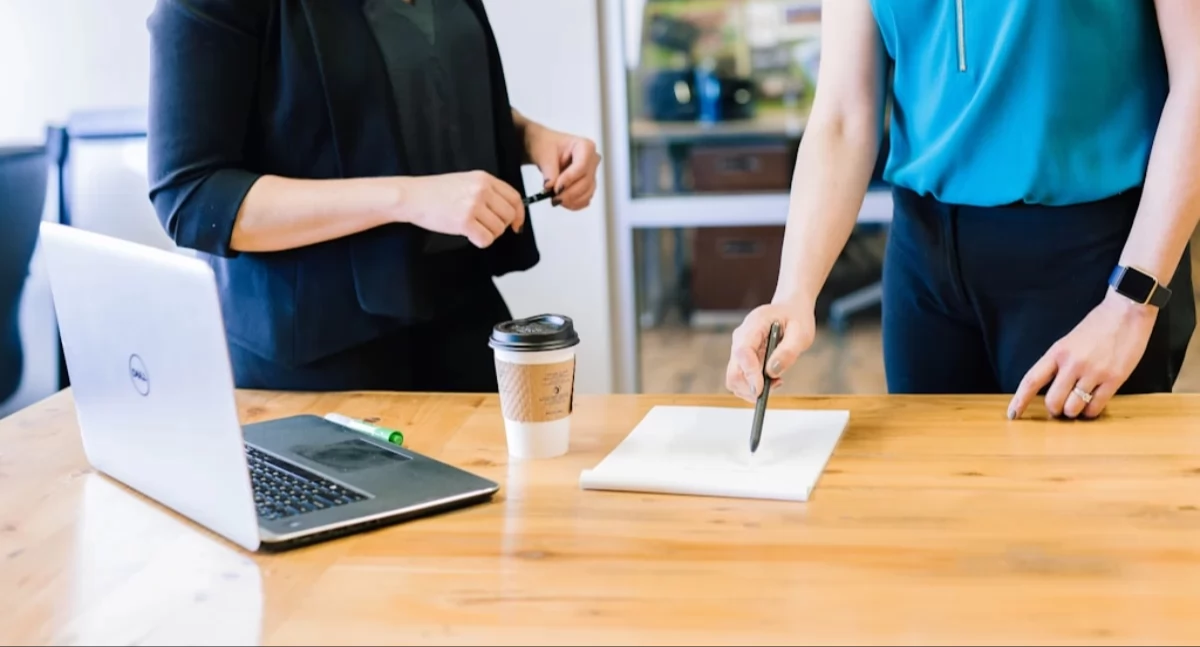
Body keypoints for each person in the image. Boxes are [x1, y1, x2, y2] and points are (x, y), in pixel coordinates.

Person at [726, 1, 1200, 420]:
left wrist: (1131, 305)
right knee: (937, 507)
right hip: (924, 262)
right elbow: (843, 115)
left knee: (1080, 511)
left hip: (1093, 260)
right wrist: (793, 293)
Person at [146, 0, 600, 393]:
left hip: (461, 312)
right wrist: (406, 197)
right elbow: (192, 195)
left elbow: (399, 92)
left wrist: (528, 138)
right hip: (319, 352)